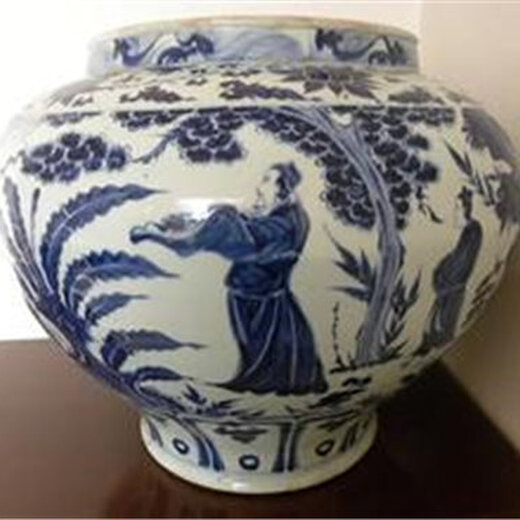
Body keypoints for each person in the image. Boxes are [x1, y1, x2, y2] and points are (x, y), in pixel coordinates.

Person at [131, 162, 327, 395]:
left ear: (282, 189)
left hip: (265, 297)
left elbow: (255, 238)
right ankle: (268, 381)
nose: (260, 187)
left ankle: (275, 384)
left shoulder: (289, 221)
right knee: (255, 348)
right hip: (250, 292)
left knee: (269, 349)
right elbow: (256, 228)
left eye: (267, 181)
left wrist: (228, 217)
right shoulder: (282, 215)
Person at [418, 186, 483, 355]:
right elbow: (454, 257)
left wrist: (443, 278)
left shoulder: (473, 232)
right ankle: (428, 344)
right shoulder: (467, 231)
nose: (455, 212)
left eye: (458, 208)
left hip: (453, 286)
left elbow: (462, 261)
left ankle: (432, 343)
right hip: (448, 285)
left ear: (466, 209)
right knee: (436, 319)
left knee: (443, 320)